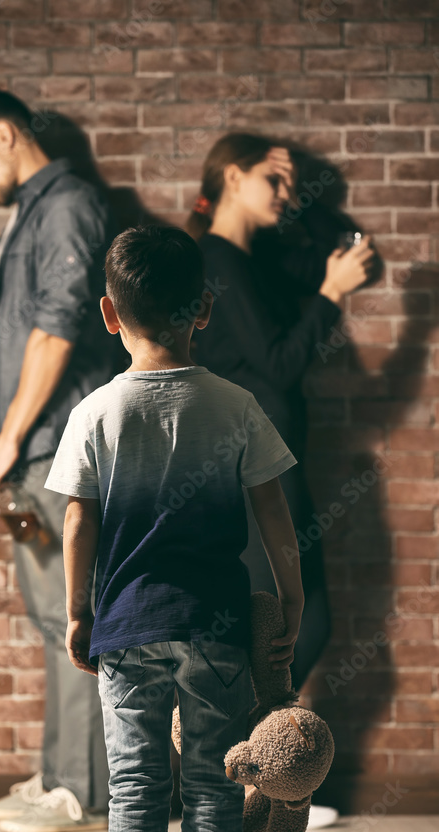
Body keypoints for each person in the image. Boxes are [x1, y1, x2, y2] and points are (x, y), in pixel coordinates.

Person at [43, 225, 305, 832]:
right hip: (216, 627)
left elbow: (78, 520)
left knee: (135, 784)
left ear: (108, 313)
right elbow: (274, 512)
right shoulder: (235, 405)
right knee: (215, 782)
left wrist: (78, 612)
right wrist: (289, 598)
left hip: (127, 627)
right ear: (205, 308)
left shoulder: (96, 412)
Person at [0, 89, 124, 832]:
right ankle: (63, 778)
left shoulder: (67, 205)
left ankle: (84, 794)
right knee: (53, 617)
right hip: (34, 455)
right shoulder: (20, 222)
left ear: (8, 134)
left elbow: (58, 329)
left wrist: (7, 441)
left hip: (59, 448)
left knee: (77, 617)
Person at [184, 134, 376, 701]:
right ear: (233, 178)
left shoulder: (258, 259)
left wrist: (298, 195)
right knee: (287, 623)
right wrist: (330, 295)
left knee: (300, 622)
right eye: (272, 179)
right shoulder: (216, 261)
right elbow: (279, 364)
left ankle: (247, 745)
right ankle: (239, 745)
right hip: (249, 465)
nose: (283, 193)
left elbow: (346, 245)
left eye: (287, 184)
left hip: (273, 458)